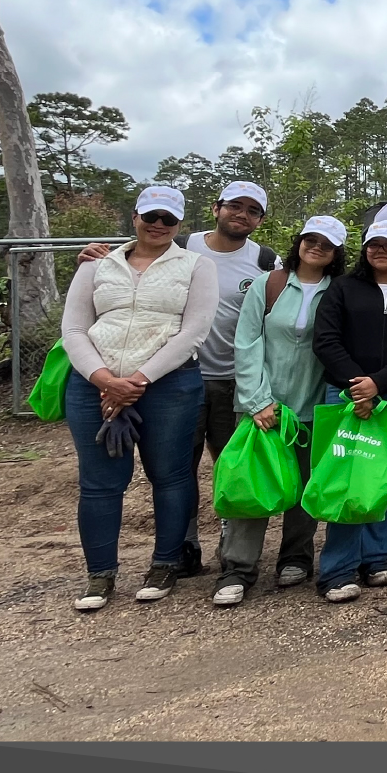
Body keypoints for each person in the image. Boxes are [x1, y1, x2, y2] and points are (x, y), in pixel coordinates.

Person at [75, 181, 276, 577]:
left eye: (253, 210)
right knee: (177, 469)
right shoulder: (183, 246)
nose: (242, 215)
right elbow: (130, 267)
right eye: (235, 206)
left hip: (235, 380)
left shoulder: (266, 261)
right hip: (174, 379)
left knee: (229, 467)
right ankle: (183, 549)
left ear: (260, 220)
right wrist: (94, 257)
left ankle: (230, 550)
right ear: (216, 208)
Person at [60, 186, 217, 611]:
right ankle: (100, 574)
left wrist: (138, 380)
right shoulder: (96, 266)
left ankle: (165, 563)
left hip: (167, 384)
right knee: (99, 482)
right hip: (94, 382)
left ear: (179, 225)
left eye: (168, 219)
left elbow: (193, 331)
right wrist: (104, 378)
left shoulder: (195, 267)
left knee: (169, 475)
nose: (158, 225)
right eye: (151, 216)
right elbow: (74, 329)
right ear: (135, 217)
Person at [214, 214, 346, 606]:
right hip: (263, 404)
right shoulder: (268, 285)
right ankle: (237, 567)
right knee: (253, 484)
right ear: (299, 241)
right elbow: (247, 342)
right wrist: (257, 400)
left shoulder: (337, 291)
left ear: (336, 251)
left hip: (313, 404)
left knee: (305, 485)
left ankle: (296, 557)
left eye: (326, 243)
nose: (316, 247)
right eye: (310, 239)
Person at [311, 220, 387, 603]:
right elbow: (325, 341)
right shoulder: (342, 288)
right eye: (373, 244)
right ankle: (337, 569)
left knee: (382, 473)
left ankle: (378, 557)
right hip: (345, 393)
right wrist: (358, 385)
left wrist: (379, 384)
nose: (380, 250)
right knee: (347, 477)